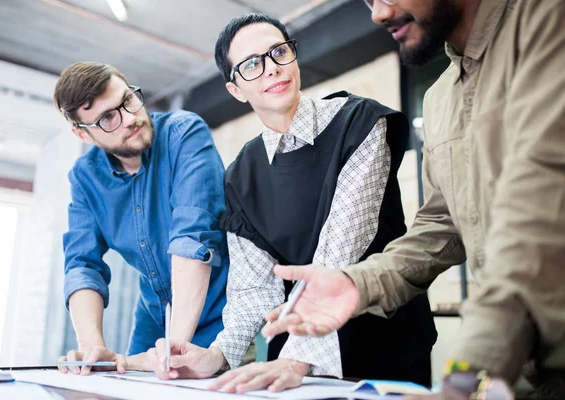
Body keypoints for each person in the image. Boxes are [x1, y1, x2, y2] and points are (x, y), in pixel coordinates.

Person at [262, 0, 565, 398]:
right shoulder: (439, 100)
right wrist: (357, 283)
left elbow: (537, 220)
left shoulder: (546, 19)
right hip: (530, 376)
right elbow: (439, 228)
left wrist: (465, 376)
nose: (378, 14)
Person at [146, 13, 437, 393]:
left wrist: (296, 358)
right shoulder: (240, 176)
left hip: (385, 352)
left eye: (278, 52)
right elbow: (254, 290)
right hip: (294, 374)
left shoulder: (360, 122)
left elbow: (340, 252)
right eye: (252, 64)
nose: (271, 69)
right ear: (235, 89)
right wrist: (216, 355)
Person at [53, 62, 229, 374]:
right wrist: (93, 349)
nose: (131, 119)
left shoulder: (183, 133)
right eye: (108, 117)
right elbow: (82, 265)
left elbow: (193, 239)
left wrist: (171, 352)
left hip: (221, 312)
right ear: (83, 133)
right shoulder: (85, 177)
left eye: (128, 100)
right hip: (154, 315)